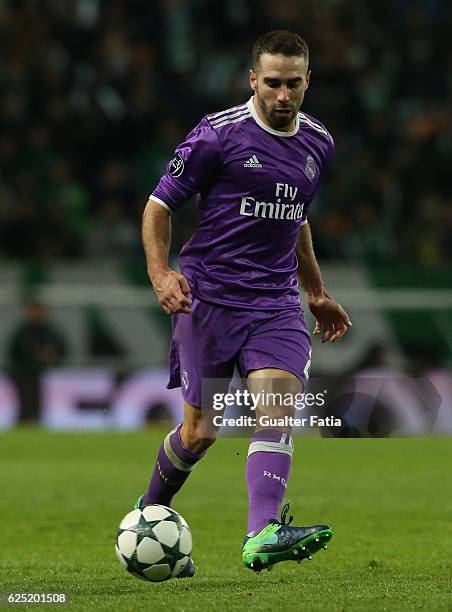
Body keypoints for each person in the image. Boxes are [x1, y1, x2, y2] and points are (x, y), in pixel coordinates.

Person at [140, 30, 352, 575]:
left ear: (309, 82)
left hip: (275, 302)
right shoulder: (217, 135)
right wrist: (162, 273)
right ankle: (148, 514)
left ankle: (261, 533)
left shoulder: (318, 142)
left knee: (277, 405)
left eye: (295, 84)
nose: (284, 95)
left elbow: (296, 218)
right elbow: (159, 205)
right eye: (274, 83)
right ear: (253, 80)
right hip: (208, 297)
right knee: (199, 432)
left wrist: (316, 292)